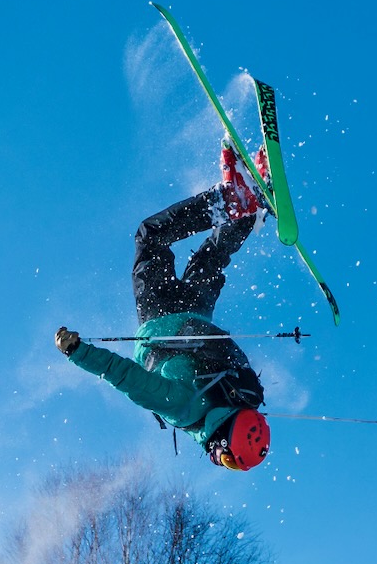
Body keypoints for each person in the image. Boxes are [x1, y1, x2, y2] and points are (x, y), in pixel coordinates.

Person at [55, 143, 271, 471]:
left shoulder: (232, 399)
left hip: (197, 314)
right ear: (225, 441)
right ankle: (227, 200)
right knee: (150, 236)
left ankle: (251, 207)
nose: (216, 458)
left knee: (210, 258)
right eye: (224, 458)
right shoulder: (181, 409)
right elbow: (125, 377)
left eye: (223, 462)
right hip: (161, 317)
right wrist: (78, 352)